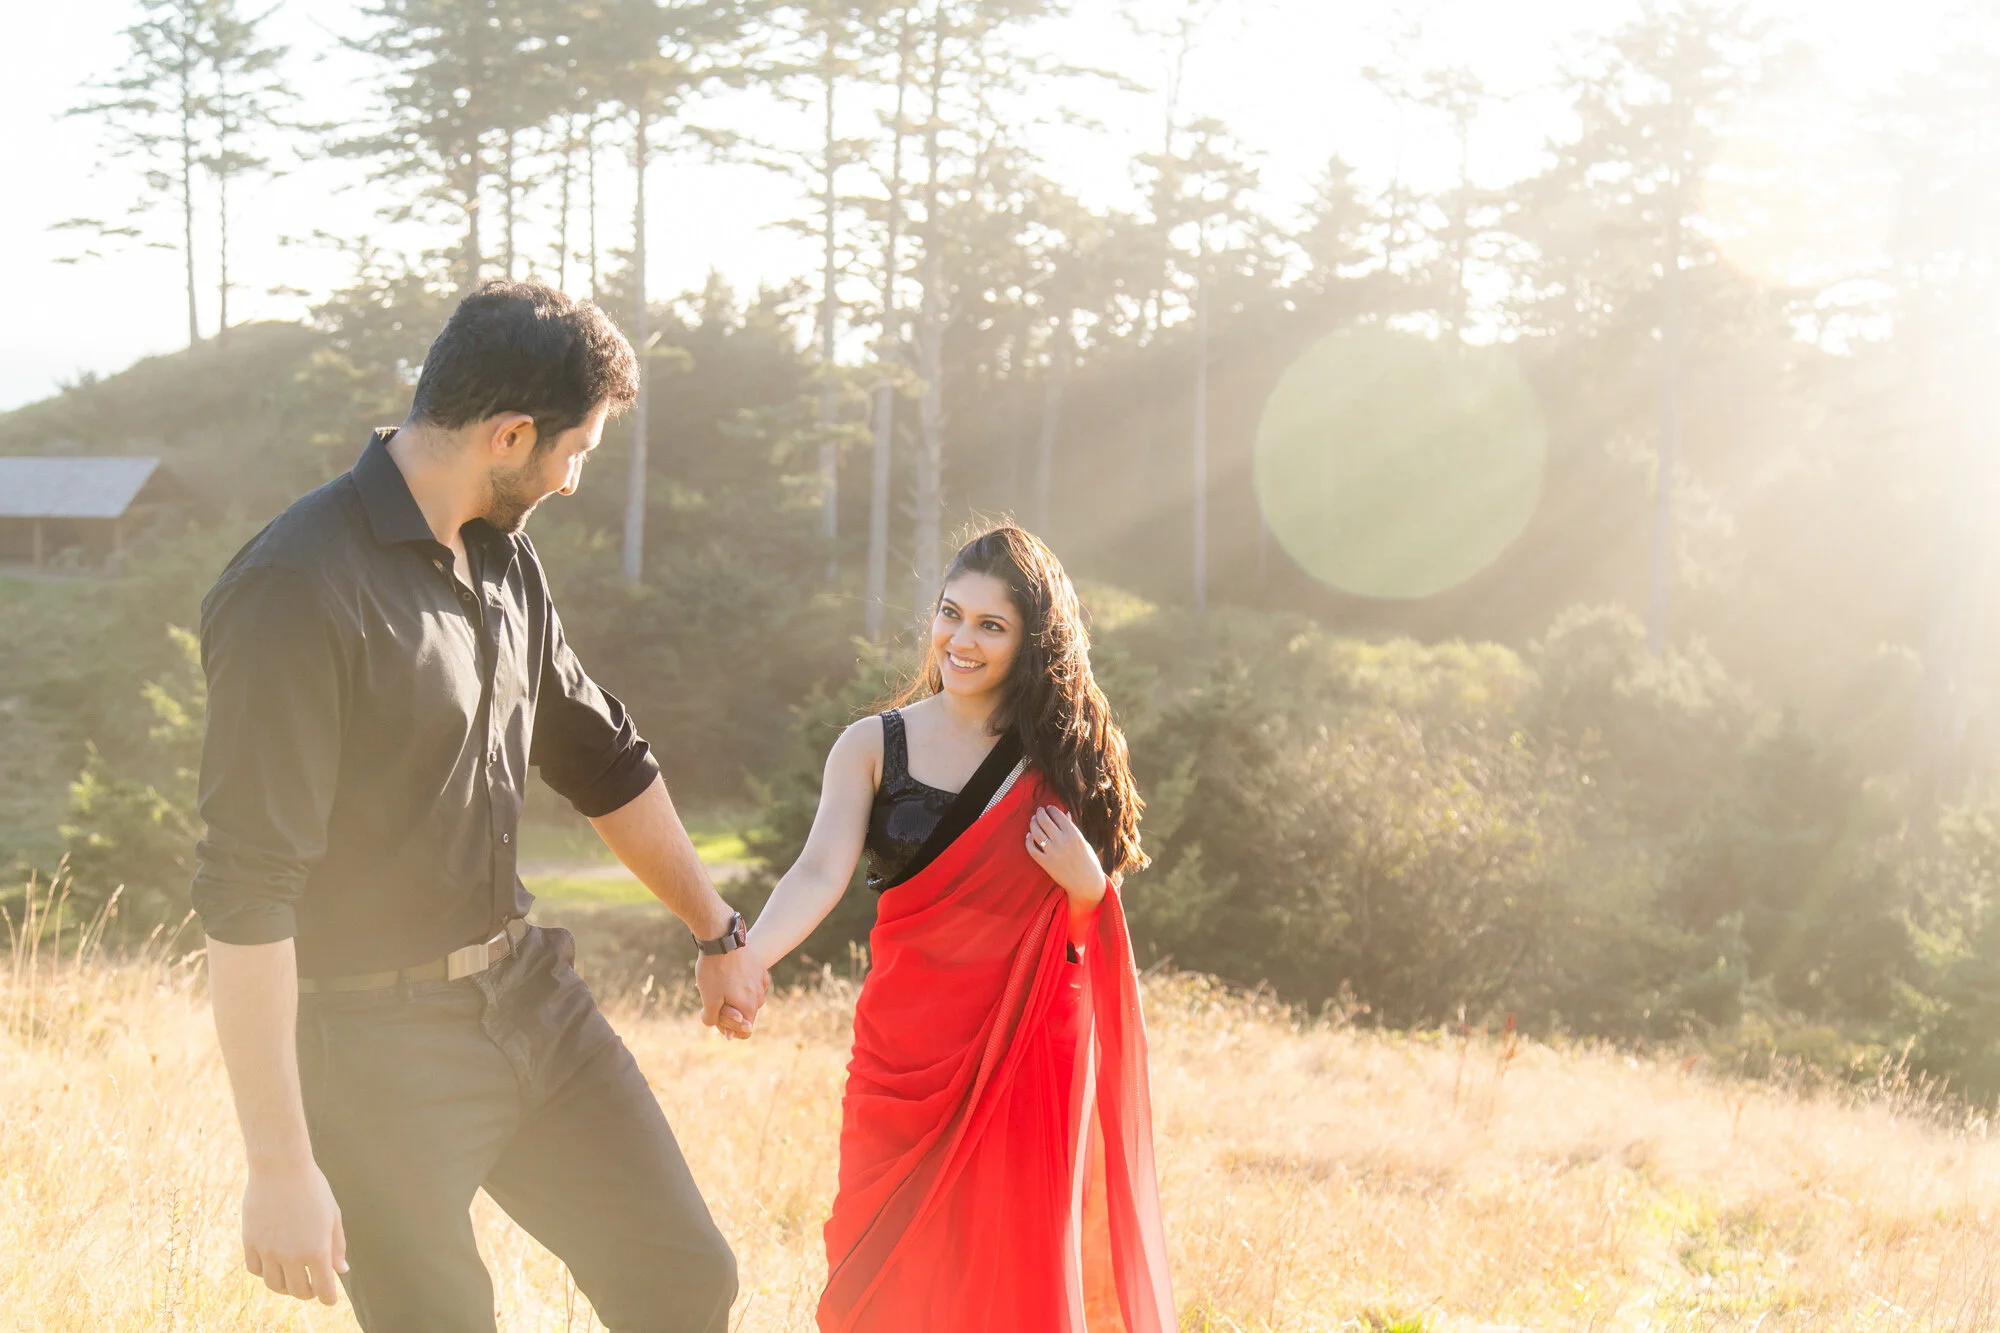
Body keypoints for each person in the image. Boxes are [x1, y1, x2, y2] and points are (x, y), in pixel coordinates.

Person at [189, 280, 766, 1333]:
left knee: (684, 1280)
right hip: (373, 1049)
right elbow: (246, 890)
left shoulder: (501, 557)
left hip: (532, 1003)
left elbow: (599, 754)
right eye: (577, 449)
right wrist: (278, 1166)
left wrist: (716, 929)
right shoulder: (294, 588)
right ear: (510, 434)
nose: (577, 478)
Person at [748, 526, 1176, 1332]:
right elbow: (818, 871)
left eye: (992, 624)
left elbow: (1087, 929)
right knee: (872, 1282)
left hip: (1023, 1059)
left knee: (1009, 1283)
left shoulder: (1065, 760)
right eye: (952, 613)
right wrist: (750, 957)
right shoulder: (872, 744)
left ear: (1032, 641)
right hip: (900, 1056)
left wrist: (1092, 891)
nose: (962, 639)